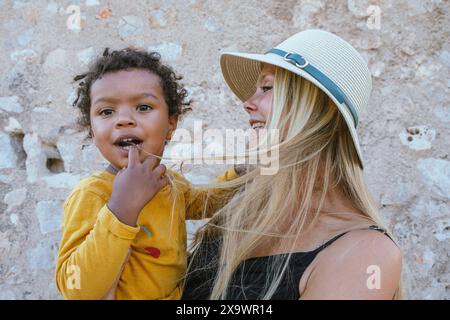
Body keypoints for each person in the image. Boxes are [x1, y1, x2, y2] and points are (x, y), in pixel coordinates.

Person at [182, 29, 403, 300]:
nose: (247, 104)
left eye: (267, 87)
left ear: (319, 110)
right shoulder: (242, 210)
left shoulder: (367, 253)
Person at [55, 48, 238, 299]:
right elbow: (76, 288)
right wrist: (121, 210)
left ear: (171, 124)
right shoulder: (93, 194)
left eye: (143, 107)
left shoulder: (169, 183)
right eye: (106, 112)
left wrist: (239, 175)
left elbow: (203, 202)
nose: (124, 120)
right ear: (91, 128)